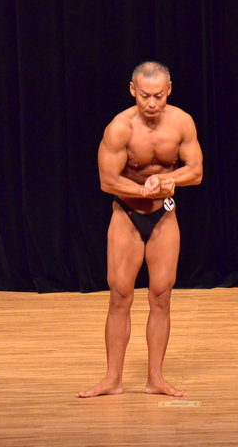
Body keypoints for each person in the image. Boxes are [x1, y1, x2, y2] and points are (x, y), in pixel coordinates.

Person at [78, 61, 203, 398]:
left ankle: (155, 379)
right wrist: (143, 191)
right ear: (133, 90)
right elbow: (107, 180)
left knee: (161, 295)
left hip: (164, 217)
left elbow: (195, 171)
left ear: (169, 90)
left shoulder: (182, 123)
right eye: (145, 95)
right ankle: (112, 379)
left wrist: (167, 180)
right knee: (120, 295)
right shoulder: (120, 128)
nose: (151, 103)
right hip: (127, 215)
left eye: (158, 96)